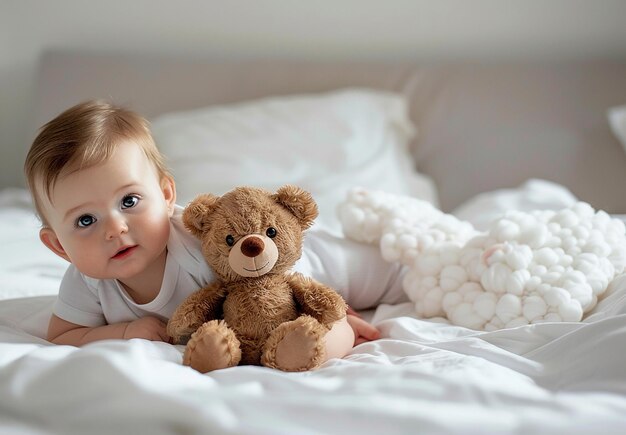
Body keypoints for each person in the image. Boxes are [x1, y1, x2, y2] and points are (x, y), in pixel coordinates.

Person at [24, 100, 406, 362]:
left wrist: (338, 311)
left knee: (389, 267)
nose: (116, 228)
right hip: (244, 322)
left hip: (302, 263)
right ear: (59, 246)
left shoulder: (197, 241)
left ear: (166, 195)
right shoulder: (86, 283)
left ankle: (341, 325)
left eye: (128, 201)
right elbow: (62, 336)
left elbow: (283, 278)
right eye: (85, 221)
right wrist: (123, 333)